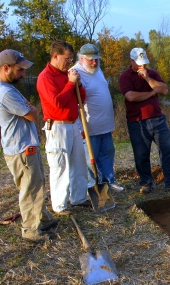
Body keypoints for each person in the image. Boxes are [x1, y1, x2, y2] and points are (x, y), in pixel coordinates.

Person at [0, 49, 59, 242]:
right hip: (21, 148)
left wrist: (29, 108)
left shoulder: (6, 88)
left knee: (37, 184)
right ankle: (30, 230)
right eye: (19, 70)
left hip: (25, 145)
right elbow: (33, 114)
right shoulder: (4, 92)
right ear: (6, 68)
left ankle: (43, 219)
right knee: (30, 189)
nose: (23, 74)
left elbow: (29, 110)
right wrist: (30, 108)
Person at [119, 47, 170, 193]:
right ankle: (146, 183)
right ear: (131, 61)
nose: (142, 66)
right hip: (137, 122)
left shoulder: (152, 73)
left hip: (158, 119)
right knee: (141, 154)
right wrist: (152, 92)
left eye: (144, 63)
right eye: (139, 63)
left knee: (167, 150)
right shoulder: (125, 77)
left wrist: (147, 78)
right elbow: (131, 97)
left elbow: (164, 90)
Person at [37, 40, 91, 216]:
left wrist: (79, 84)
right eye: (66, 58)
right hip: (57, 126)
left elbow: (81, 98)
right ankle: (59, 205)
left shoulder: (67, 74)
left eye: (70, 59)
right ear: (55, 56)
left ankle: (79, 197)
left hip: (73, 124)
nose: (69, 62)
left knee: (79, 162)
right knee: (60, 166)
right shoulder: (45, 77)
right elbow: (57, 103)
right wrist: (70, 83)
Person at [71, 43, 124, 192]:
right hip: (89, 127)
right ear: (81, 58)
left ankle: (109, 181)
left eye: (96, 59)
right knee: (89, 160)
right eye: (90, 60)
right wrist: (80, 127)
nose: (94, 62)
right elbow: (74, 103)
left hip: (104, 125)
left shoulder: (96, 70)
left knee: (107, 153)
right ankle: (93, 187)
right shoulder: (76, 73)